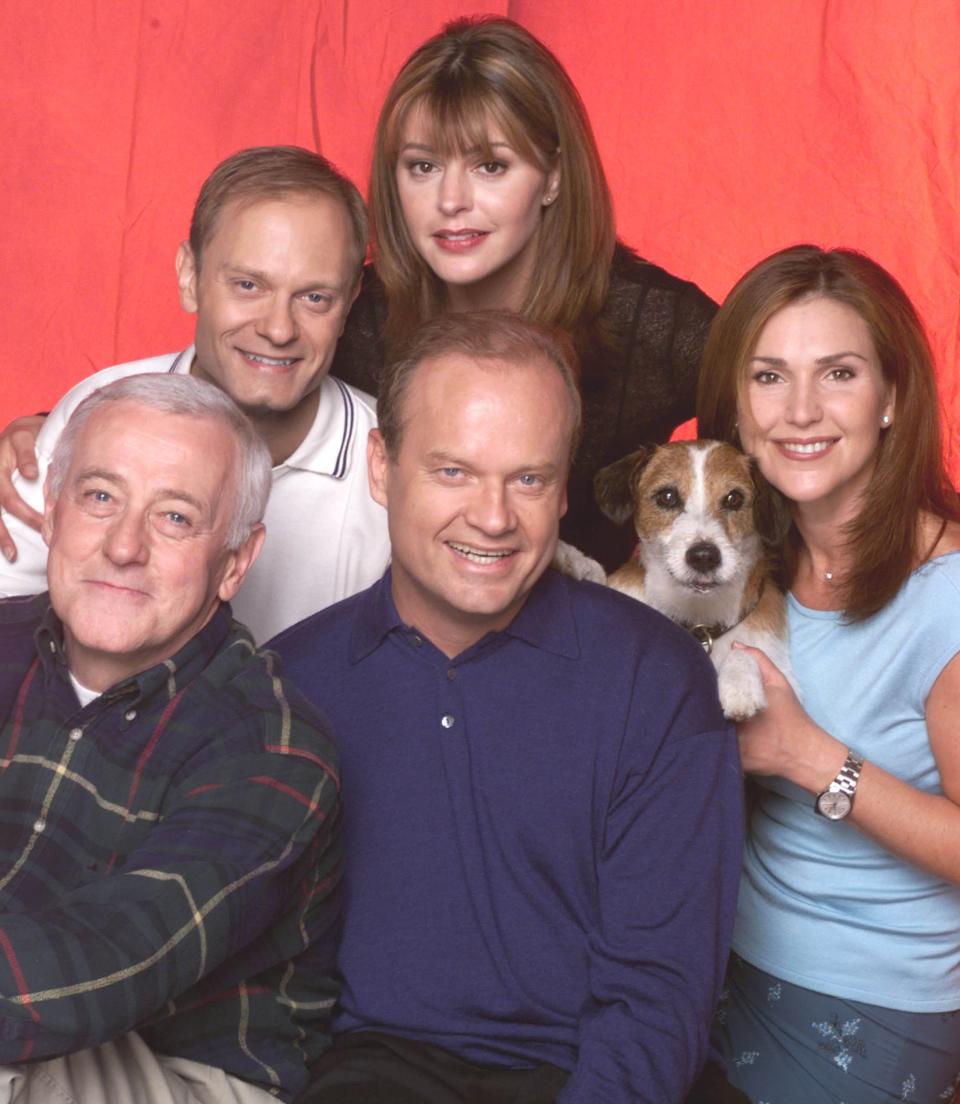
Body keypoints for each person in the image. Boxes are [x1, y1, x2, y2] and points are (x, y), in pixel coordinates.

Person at [269, 311, 745, 1103]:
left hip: (604, 1076)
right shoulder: (291, 680)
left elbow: (660, 995)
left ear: (563, 490)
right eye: (453, 472)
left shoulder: (655, 678)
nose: (493, 518)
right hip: (368, 1075)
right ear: (382, 467)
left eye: (528, 478)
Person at [0, 373, 341, 1103]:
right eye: (100, 498)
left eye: (176, 518)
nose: (125, 545)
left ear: (237, 563)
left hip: (182, 1075)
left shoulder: (274, 744)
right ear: (53, 514)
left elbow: (101, 966)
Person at [696, 245, 960, 1102]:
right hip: (715, 965)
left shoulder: (947, 593)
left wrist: (810, 758)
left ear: (892, 398)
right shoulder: (740, 561)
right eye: (769, 377)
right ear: (737, 407)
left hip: (867, 1003)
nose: (800, 410)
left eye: (838, 373)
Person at [330, 15, 718, 570]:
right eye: (423, 166)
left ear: (553, 176)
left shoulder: (655, 324)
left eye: (491, 165)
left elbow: (784, 454)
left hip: (595, 644)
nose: (451, 200)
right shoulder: (355, 322)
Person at [0, 146, 390, 642]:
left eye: (314, 297)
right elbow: (6, 607)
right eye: (248, 285)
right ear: (191, 277)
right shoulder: (98, 409)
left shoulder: (392, 463)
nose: (277, 328)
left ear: (351, 300)